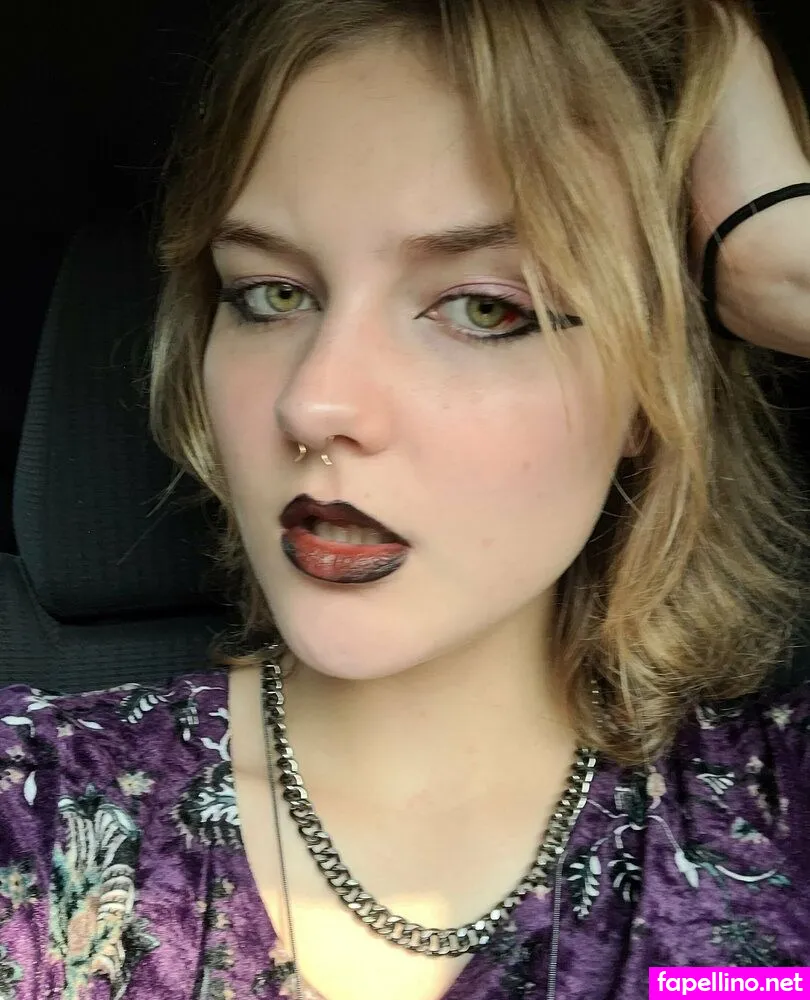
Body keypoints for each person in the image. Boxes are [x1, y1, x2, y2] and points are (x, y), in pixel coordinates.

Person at [2, 0, 810, 997]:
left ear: (656, 388)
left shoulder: (778, 814)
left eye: (485, 308)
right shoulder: (31, 807)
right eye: (271, 294)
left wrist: (783, 268)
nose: (314, 402)